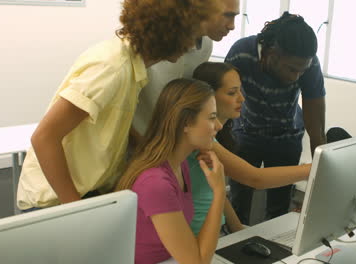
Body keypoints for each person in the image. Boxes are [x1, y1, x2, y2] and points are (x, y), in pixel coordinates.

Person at [16, 0, 221, 211]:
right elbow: (44, 137)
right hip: (56, 201)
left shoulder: (132, 68)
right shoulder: (113, 68)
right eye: (190, 35)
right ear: (169, 32)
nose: (191, 46)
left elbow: (112, 121)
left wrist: (150, 151)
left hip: (86, 192)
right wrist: (76, 210)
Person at [225, 12, 326, 224]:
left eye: (301, 71)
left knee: (278, 209)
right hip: (245, 133)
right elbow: (222, 99)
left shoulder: (307, 62)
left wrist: (321, 158)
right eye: (291, 69)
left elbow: (314, 111)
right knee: (238, 202)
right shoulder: (242, 53)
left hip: (286, 137)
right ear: (271, 53)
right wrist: (219, 145)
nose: (295, 76)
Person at [189, 62, 311, 234]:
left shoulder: (214, 138)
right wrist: (310, 170)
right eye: (232, 93)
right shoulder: (201, 142)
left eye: (240, 90)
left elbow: (215, 192)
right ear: (208, 97)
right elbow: (256, 178)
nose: (242, 98)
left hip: (216, 229)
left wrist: (238, 229)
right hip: (199, 235)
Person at [115, 79, 225, 264]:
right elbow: (196, 262)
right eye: (212, 117)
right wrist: (219, 191)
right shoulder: (156, 183)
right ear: (186, 123)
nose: (219, 126)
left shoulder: (179, 165)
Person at [132, 0, 240, 137]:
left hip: (171, 141)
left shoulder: (206, 46)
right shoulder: (152, 40)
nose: (232, 26)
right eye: (228, 15)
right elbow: (123, 104)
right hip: (136, 140)